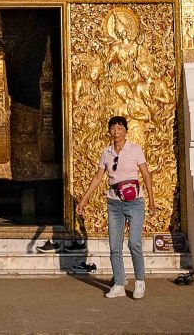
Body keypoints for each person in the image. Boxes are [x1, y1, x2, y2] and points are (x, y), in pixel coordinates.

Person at [78, 114, 150, 300]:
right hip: (114, 203)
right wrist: (84, 199)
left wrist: (152, 199)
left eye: (120, 128)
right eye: (113, 128)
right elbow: (97, 178)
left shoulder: (135, 150)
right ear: (109, 131)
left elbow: (146, 174)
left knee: (134, 242)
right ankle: (119, 282)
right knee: (114, 245)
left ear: (126, 131)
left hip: (135, 202)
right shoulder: (106, 153)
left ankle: (140, 281)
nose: (116, 132)